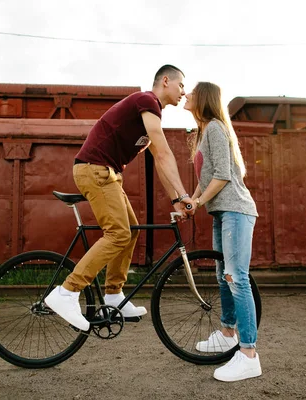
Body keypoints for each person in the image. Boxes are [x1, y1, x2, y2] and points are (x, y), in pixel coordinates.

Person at [45, 65, 196, 331]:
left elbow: (160, 165)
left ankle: (113, 295)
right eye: (181, 85)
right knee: (117, 234)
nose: (184, 91)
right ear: (165, 81)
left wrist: (175, 200)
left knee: (131, 230)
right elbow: (163, 153)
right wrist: (184, 195)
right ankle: (67, 292)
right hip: (96, 169)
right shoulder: (147, 101)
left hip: (106, 173)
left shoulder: (149, 115)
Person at [183, 81, 261, 382]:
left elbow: (225, 176)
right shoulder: (204, 131)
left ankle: (249, 355)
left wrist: (200, 201)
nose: (186, 95)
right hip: (221, 211)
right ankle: (228, 333)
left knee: (236, 278)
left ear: (203, 99)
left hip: (237, 211)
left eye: (191, 92)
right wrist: (193, 200)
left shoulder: (215, 126)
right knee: (223, 276)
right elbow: (208, 178)